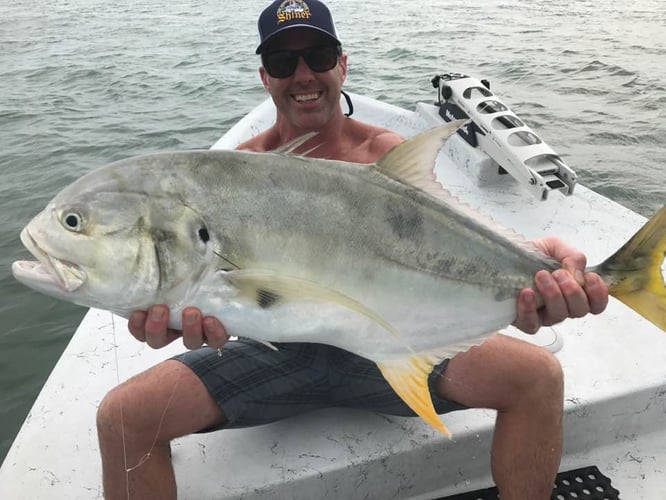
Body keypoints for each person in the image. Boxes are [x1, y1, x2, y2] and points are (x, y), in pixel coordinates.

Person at [96, 1, 609, 499]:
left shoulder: (385, 158)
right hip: (276, 352)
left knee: (539, 376)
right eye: (282, 61)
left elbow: (454, 247)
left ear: (342, 64)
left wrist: (535, 263)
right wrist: (184, 316)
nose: (303, 75)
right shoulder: (237, 179)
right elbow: (231, 295)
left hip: (389, 341)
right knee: (122, 419)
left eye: (318, 57)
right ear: (264, 77)